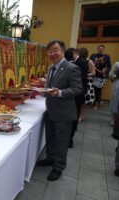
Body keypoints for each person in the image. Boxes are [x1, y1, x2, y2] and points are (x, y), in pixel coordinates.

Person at [37, 40, 82, 181]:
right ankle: (50, 159)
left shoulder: (71, 68)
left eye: (55, 50)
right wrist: (44, 91)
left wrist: (61, 92)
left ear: (63, 50)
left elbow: (78, 89)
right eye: (49, 51)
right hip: (50, 110)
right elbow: (50, 87)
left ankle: (58, 167)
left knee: (62, 142)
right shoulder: (51, 68)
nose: (52, 53)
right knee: (50, 138)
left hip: (64, 113)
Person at [65, 48, 88, 148]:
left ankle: (70, 140)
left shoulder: (82, 62)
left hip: (77, 94)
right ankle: (67, 137)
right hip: (70, 94)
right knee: (69, 117)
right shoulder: (71, 61)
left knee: (74, 117)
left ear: (75, 53)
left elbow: (82, 77)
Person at [79, 47, 96, 120]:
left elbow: (93, 73)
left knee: (84, 101)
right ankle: (78, 114)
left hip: (88, 83)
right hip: (80, 82)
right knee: (79, 100)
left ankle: (82, 116)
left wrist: (85, 74)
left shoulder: (89, 61)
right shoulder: (79, 61)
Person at [109, 61, 119, 126]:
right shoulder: (117, 64)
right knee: (115, 101)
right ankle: (113, 119)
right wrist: (117, 75)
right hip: (117, 85)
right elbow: (110, 74)